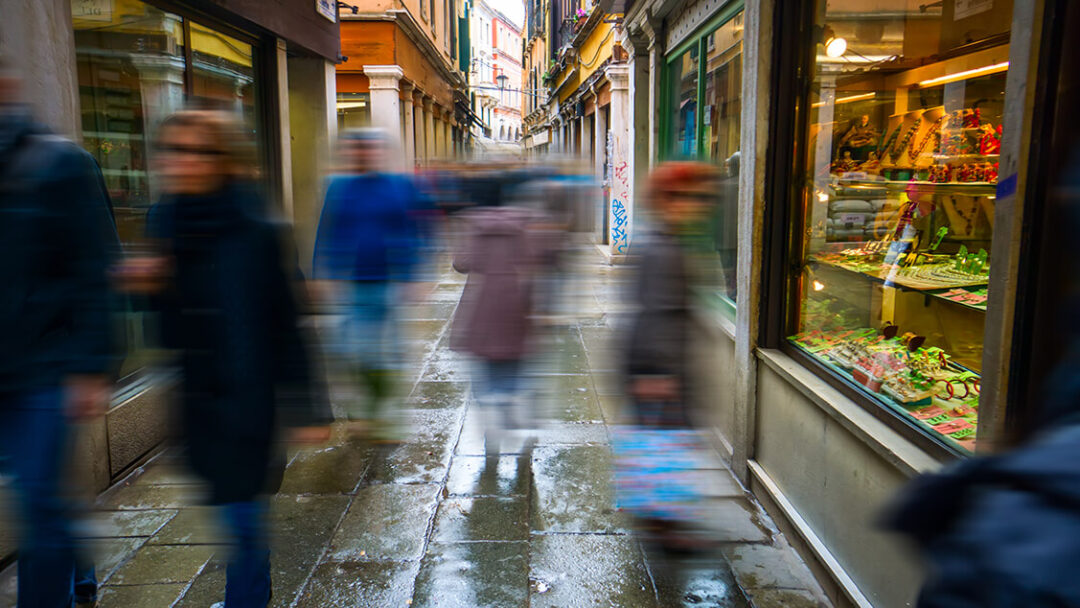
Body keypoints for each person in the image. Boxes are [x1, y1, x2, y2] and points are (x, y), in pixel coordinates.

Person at [115, 110, 330, 607]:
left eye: (199, 151)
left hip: (248, 396)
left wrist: (308, 406)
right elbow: (169, 329)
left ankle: (248, 599)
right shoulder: (164, 220)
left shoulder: (255, 226)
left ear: (224, 159)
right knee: (233, 520)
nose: (184, 163)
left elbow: (286, 321)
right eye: (174, 151)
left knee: (243, 521)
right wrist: (150, 289)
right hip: (197, 401)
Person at [0, 61, 120, 607]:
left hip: (47, 368)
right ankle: (83, 576)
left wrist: (92, 365)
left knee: (40, 504)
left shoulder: (64, 165)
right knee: (45, 495)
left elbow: (100, 268)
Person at [311, 128, 425, 440]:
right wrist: (320, 273)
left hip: (389, 280)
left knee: (386, 353)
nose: (363, 154)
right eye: (357, 149)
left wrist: (414, 274)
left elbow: (414, 228)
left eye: (369, 149)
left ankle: (383, 413)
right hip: (350, 281)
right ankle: (366, 410)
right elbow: (326, 227)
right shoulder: (337, 186)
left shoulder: (400, 185)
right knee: (349, 350)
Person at [451, 204, 545, 453]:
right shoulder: (522, 228)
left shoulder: (476, 229)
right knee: (512, 368)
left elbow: (460, 263)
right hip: (513, 309)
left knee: (483, 373)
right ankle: (510, 410)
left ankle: (490, 422)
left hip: (481, 311)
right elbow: (532, 264)